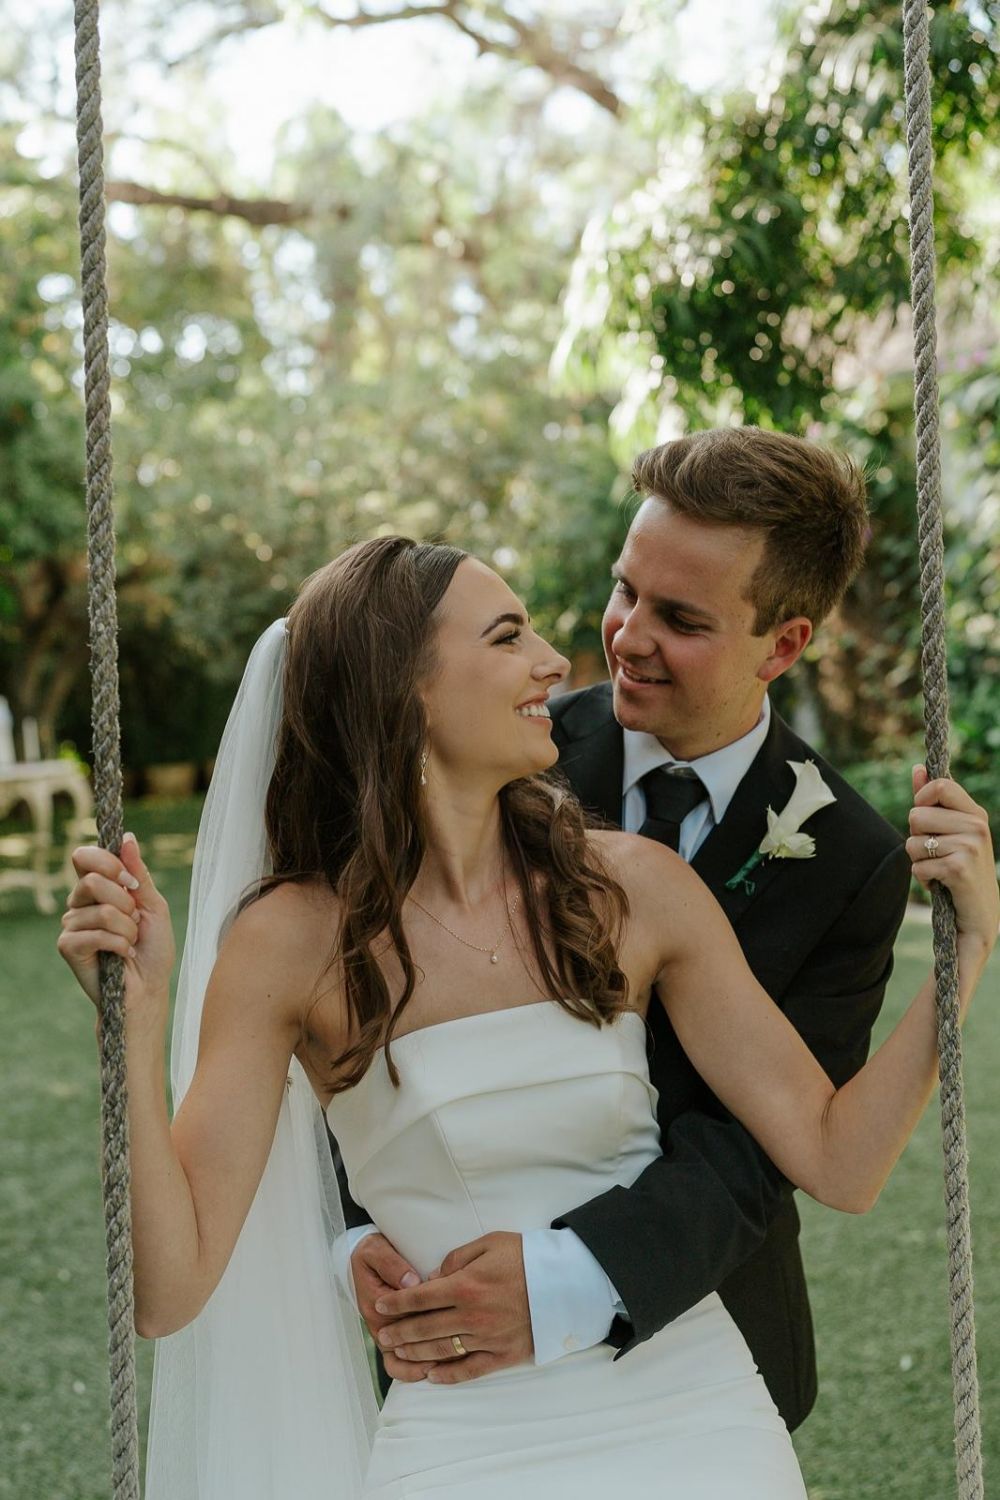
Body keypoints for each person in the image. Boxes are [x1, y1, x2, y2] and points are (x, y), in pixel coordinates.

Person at [58, 535, 997, 1500]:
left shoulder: (634, 889)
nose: (558, 661)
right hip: (463, 1434)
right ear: (405, 687)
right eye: (510, 636)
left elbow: (840, 1160)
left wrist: (962, 955)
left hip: (694, 1405)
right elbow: (169, 1293)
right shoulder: (288, 943)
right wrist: (132, 1027)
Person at [349, 428, 909, 1428]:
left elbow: (763, 1146)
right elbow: (357, 1025)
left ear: (781, 644)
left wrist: (574, 1278)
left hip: (704, 1323)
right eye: (626, 591)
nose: (626, 636)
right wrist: (354, 1242)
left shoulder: (850, 859)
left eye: (681, 618)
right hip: (441, 1325)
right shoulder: (501, 745)